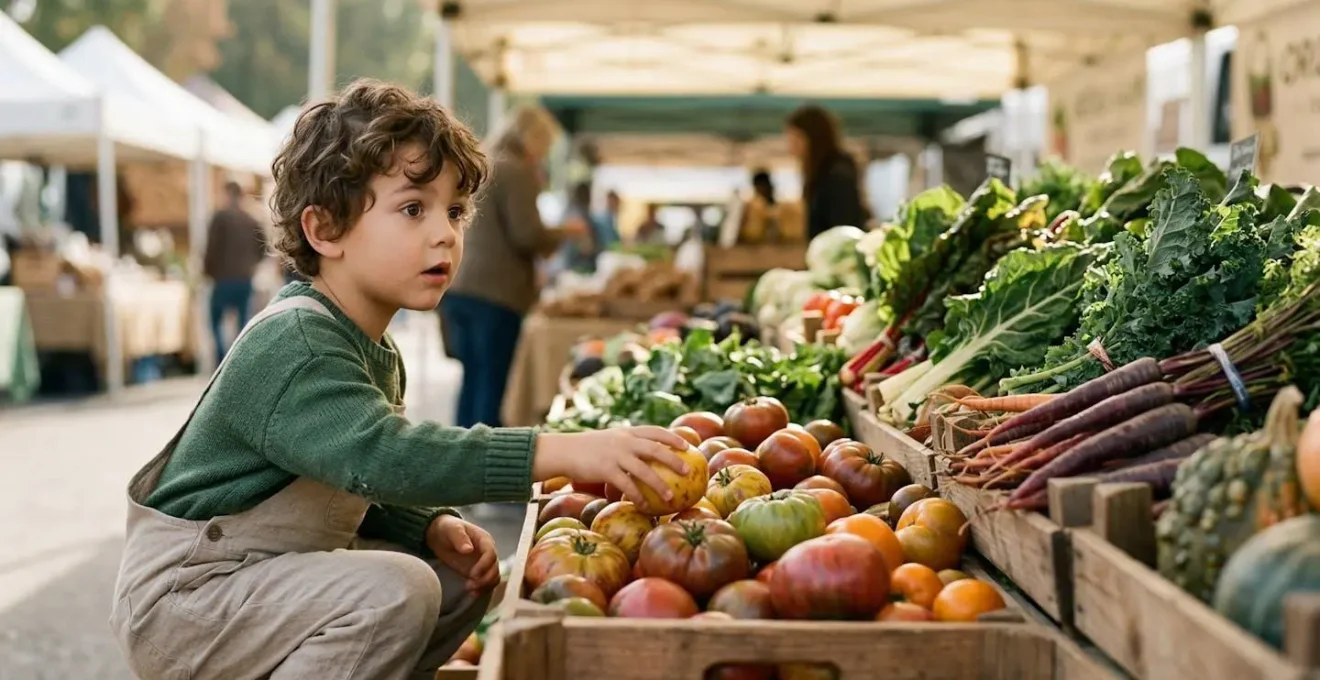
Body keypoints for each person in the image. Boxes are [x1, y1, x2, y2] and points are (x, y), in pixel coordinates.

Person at [110, 80, 688, 680]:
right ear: (324, 229)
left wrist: (428, 523)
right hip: (186, 602)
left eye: (455, 211)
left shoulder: (370, 344)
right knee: (397, 588)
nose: (445, 233)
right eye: (414, 208)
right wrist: (560, 450)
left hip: (253, 582)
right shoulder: (299, 344)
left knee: (463, 576)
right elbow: (382, 456)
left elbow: (351, 479)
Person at [443, 106, 584, 428]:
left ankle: (459, 455)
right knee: (492, 383)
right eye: (544, 143)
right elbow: (527, 233)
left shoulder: (487, 161)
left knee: (472, 380)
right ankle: (483, 464)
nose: (544, 151)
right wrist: (567, 232)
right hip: (496, 294)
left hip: (461, 286)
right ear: (531, 137)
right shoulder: (516, 170)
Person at [203, 180, 267, 363]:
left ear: (227, 194)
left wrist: (208, 271)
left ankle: (221, 361)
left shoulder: (220, 217)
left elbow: (211, 248)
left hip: (223, 278)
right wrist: (252, 265)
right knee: (243, 323)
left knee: (216, 321)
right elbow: (263, 248)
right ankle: (239, 361)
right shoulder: (250, 219)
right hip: (245, 277)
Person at [785, 104, 868, 238]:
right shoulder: (825, 172)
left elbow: (843, 229)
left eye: (795, 138)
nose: (791, 147)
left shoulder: (837, 175)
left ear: (812, 138)